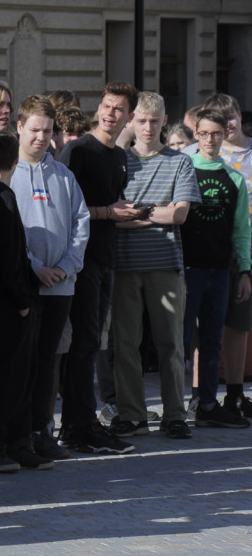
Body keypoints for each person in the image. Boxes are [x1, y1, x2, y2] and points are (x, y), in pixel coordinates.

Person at [109, 92, 200, 439]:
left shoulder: (179, 162)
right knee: (126, 345)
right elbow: (112, 217)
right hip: (125, 265)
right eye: (142, 120)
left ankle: (174, 414)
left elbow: (178, 215)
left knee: (170, 344)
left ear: (165, 120)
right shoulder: (119, 162)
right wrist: (152, 213)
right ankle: (132, 414)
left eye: (155, 120)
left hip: (166, 264)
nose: (148, 127)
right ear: (132, 121)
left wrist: (136, 213)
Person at [57, 82, 142, 454]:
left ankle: (84, 421)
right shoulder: (78, 151)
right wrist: (109, 211)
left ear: (129, 117)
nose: (110, 114)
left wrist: (130, 212)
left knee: (93, 342)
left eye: (118, 109)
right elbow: (63, 209)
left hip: (107, 257)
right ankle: (77, 425)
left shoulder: (118, 155)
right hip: (81, 260)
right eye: (106, 106)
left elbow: (112, 208)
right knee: (83, 342)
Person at [9, 96, 90, 460]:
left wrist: (67, 265)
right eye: (35, 130)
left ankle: (42, 430)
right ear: (19, 129)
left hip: (61, 284)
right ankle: (18, 433)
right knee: (21, 360)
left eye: (48, 131)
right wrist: (34, 266)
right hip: (26, 284)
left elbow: (81, 223)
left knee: (48, 361)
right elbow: (8, 231)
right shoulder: (8, 173)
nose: (42, 137)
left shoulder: (64, 175)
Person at [0, 131, 45, 472]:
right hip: (9, 300)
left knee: (15, 373)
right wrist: (22, 299)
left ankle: (15, 442)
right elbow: (8, 254)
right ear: (16, 160)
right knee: (13, 375)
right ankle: (0, 446)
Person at [180, 108, 252, 428]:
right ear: (195, 133)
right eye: (205, 133)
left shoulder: (234, 179)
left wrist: (246, 271)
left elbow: (241, 230)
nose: (211, 139)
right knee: (178, 340)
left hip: (220, 270)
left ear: (225, 135)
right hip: (186, 269)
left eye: (217, 134)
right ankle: (174, 409)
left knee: (212, 340)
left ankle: (208, 404)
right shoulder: (183, 168)